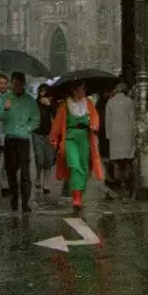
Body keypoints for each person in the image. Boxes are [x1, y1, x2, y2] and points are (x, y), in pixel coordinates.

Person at [50, 81, 103, 215]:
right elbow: (57, 123)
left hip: (85, 138)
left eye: (83, 90)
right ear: (73, 91)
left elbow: (95, 117)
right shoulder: (64, 105)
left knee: (84, 168)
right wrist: (55, 139)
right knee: (74, 165)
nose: (82, 93)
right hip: (70, 137)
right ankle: (76, 198)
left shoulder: (89, 104)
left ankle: (79, 192)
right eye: (80, 90)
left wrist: (94, 126)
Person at [2, 72, 41, 212]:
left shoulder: (30, 101)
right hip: (10, 138)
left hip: (23, 139)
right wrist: (5, 109)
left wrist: (28, 128)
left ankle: (25, 202)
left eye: (20, 83)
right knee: (11, 170)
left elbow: (36, 119)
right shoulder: (6, 97)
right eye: (15, 83)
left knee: (25, 172)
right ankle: (14, 198)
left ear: (23, 84)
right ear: (12, 83)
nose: (17, 86)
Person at [104, 81, 137, 198]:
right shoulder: (130, 102)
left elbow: (107, 121)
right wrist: (134, 134)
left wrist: (108, 135)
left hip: (114, 135)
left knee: (117, 161)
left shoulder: (110, 102)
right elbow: (132, 120)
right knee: (127, 159)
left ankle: (119, 183)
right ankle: (128, 184)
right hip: (127, 133)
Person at [32, 84, 57, 196]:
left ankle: (46, 183)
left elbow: (57, 116)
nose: (43, 93)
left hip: (49, 135)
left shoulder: (52, 104)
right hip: (37, 134)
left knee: (49, 159)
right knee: (39, 157)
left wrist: (50, 104)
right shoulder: (35, 103)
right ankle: (38, 177)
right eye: (41, 91)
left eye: (45, 91)